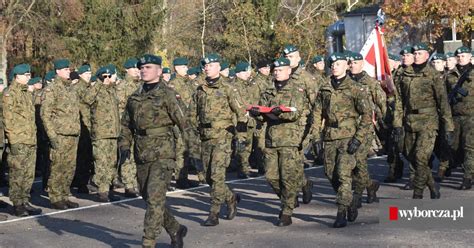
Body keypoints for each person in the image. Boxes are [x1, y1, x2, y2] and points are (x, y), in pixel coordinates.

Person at [119, 54, 201, 248]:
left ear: (158, 70)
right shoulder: (134, 96)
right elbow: (125, 125)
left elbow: (185, 125)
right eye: (141, 67)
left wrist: (195, 152)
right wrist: (124, 146)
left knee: (155, 199)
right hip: (142, 152)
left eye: (148, 67)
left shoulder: (168, 95)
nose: (143, 70)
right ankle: (175, 228)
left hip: (163, 153)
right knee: (149, 198)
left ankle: (148, 242)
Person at [311, 52, 372, 228]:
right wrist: (316, 138)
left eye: (338, 64)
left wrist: (358, 138)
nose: (334, 66)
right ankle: (349, 200)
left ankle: (341, 212)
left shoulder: (355, 88)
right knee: (330, 174)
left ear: (346, 66)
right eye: (332, 64)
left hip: (348, 137)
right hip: (330, 137)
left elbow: (367, 115)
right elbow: (317, 113)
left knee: (343, 174)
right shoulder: (325, 87)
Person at [188, 53, 245, 226]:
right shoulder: (199, 89)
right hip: (205, 138)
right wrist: (192, 135)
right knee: (207, 177)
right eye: (205, 66)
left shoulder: (228, 88)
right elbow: (192, 114)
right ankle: (231, 197)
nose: (207, 68)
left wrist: (240, 136)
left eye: (211, 65)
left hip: (223, 137)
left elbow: (241, 113)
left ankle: (214, 213)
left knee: (217, 175)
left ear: (219, 68)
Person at [250, 57, 306, 226]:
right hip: (271, 138)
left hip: (289, 139)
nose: (277, 72)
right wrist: (257, 113)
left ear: (289, 71)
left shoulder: (296, 90)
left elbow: (295, 113)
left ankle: (286, 211)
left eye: (280, 70)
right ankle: (288, 198)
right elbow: (262, 111)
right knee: (271, 176)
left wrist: (278, 113)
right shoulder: (268, 91)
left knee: (287, 177)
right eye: (275, 70)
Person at [394, 43, 454, 199]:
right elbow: (399, 101)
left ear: (427, 56)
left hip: (428, 121)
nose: (416, 55)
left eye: (420, 53)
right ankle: (433, 186)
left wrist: (448, 127)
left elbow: (442, 102)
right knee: (412, 156)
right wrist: (397, 125)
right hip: (409, 121)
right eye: (415, 53)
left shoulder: (433, 75)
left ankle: (418, 193)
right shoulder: (404, 74)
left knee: (422, 157)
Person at [41, 59, 81, 209]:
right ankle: (56, 197)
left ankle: (65, 194)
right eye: (65, 69)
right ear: (57, 71)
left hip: (72, 133)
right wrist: (52, 135)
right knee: (58, 166)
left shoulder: (70, 89)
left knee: (70, 166)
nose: (68, 71)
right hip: (60, 134)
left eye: (68, 69)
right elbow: (45, 114)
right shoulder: (52, 89)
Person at [3, 64, 42, 217]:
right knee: (17, 173)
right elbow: (8, 119)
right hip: (18, 140)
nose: (29, 77)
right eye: (26, 75)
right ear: (17, 76)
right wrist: (13, 141)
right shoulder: (10, 93)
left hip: (30, 139)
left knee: (28, 173)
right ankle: (17, 203)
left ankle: (25, 200)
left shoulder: (27, 93)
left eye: (29, 75)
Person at [348, 52, 385, 205]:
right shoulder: (345, 82)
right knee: (350, 164)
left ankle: (356, 196)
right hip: (347, 128)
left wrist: (385, 123)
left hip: (365, 128)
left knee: (359, 161)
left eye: (355, 63)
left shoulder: (370, 83)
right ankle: (370, 185)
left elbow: (381, 102)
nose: (352, 65)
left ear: (361, 64)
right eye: (349, 63)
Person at [83, 65, 121, 202]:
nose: (110, 79)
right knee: (101, 162)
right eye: (108, 76)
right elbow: (87, 100)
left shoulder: (112, 91)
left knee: (111, 163)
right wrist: (99, 83)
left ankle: (109, 188)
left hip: (113, 133)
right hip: (101, 133)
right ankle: (102, 191)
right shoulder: (96, 90)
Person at [449, 46, 473, 190]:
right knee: (455, 147)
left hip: (471, 116)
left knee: (470, 147)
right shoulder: (451, 75)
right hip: (455, 116)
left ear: (470, 57)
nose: (460, 58)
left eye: (463, 56)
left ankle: (467, 177)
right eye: (458, 56)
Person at [115, 58, 141, 197]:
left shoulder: (142, 85)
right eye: (134, 68)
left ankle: (138, 182)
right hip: (128, 127)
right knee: (128, 156)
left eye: (138, 68)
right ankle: (129, 185)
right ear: (126, 69)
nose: (137, 70)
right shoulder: (122, 86)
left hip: (141, 127)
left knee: (140, 155)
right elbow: (119, 109)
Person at [234, 61, 262, 179]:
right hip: (240, 120)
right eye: (245, 71)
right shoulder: (233, 86)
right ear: (238, 73)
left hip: (252, 120)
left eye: (249, 71)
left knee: (250, 146)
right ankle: (242, 169)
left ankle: (249, 167)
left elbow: (256, 101)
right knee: (242, 146)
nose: (248, 73)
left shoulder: (251, 85)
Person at [71, 64, 94, 194]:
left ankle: (83, 181)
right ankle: (80, 183)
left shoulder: (90, 87)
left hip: (90, 125)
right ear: (80, 75)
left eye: (90, 73)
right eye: (86, 74)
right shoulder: (77, 88)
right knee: (81, 156)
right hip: (81, 124)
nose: (89, 76)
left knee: (87, 156)